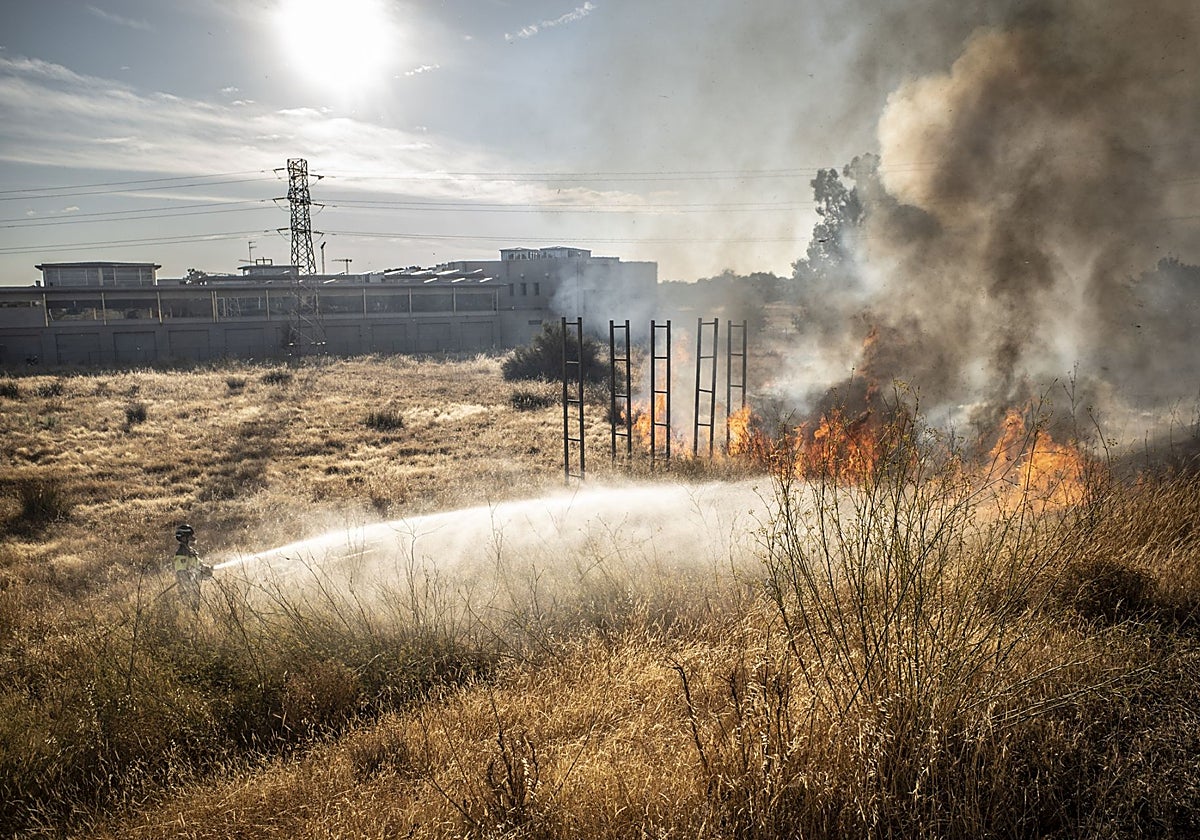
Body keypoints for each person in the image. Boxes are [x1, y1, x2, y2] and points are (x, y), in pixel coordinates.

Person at [172, 523, 207, 610]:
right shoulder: (181, 553)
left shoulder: (191, 552)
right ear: (184, 538)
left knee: (195, 610)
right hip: (188, 592)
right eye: (190, 537)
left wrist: (206, 569)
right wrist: (189, 588)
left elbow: (198, 565)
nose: (193, 539)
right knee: (189, 610)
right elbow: (181, 572)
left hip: (194, 588)